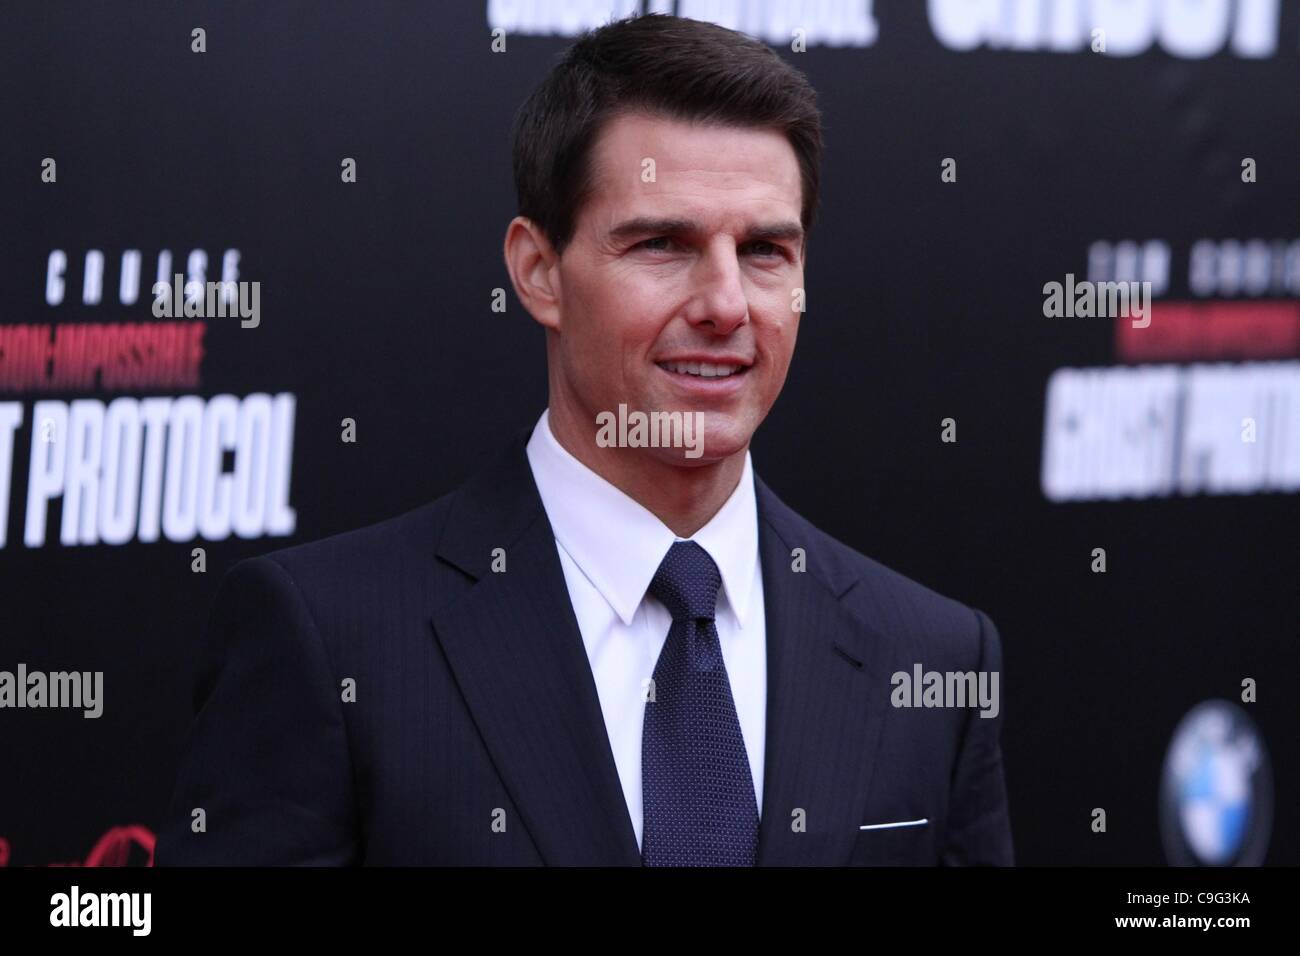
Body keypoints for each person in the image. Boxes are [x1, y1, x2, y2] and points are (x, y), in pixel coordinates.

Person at [155, 13, 1013, 866]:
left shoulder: (931, 655)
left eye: (763, 251)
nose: (724, 305)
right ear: (538, 273)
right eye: (662, 244)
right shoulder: (331, 640)